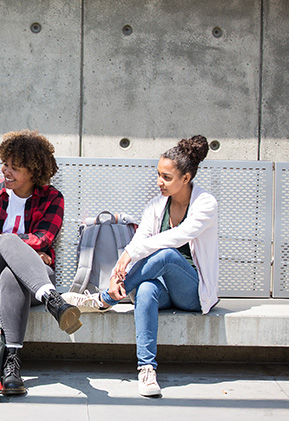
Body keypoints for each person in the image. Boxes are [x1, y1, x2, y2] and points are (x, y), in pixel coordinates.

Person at [63, 135, 218, 397]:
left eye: (167, 177)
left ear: (186, 178)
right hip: (163, 290)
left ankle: (102, 301)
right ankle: (147, 369)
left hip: (192, 292)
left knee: (167, 254)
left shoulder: (206, 204)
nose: (160, 182)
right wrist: (118, 271)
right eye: (158, 174)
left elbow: (176, 237)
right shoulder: (157, 205)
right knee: (146, 289)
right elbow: (138, 241)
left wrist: (129, 256)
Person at [0, 130, 81, 396]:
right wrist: (0, 239)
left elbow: (45, 238)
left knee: (12, 274)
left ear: (33, 172)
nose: (6, 171)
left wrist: (1, 242)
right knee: (6, 242)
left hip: (28, 280)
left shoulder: (52, 198)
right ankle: (53, 300)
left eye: (15, 168)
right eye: (5, 164)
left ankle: (12, 366)